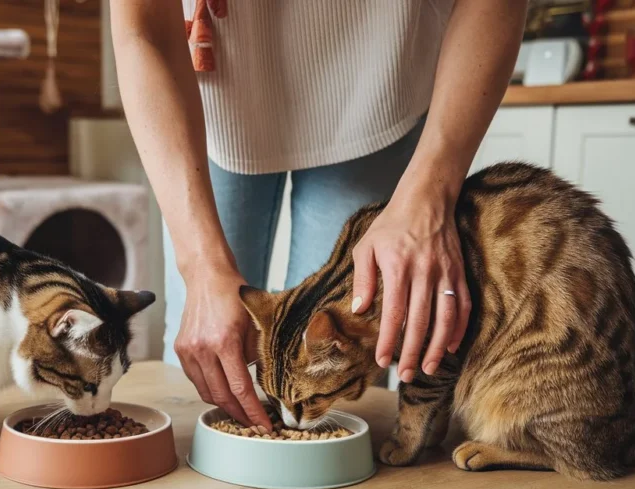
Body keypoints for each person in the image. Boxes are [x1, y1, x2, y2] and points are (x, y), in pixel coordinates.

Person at [110, 0, 528, 428]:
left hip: (379, 88)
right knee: (206, 357)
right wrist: (199, 267)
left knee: (345, 354)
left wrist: (431, 195)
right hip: (211, 94)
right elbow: (141, 30)